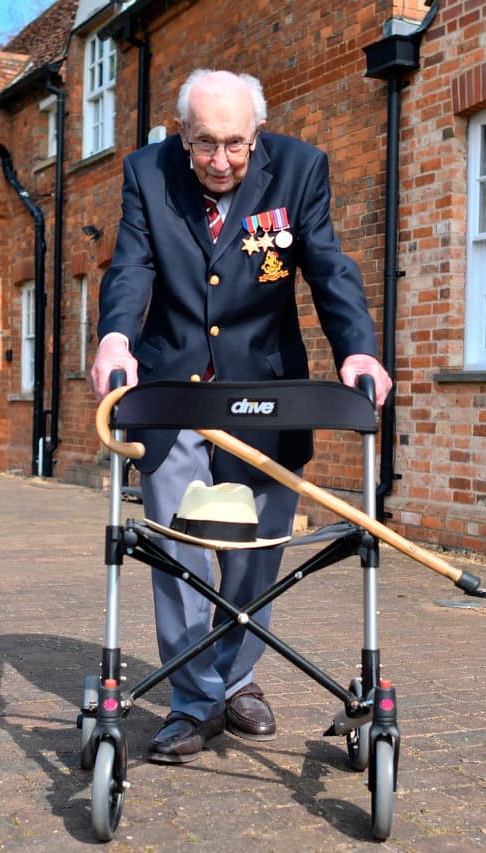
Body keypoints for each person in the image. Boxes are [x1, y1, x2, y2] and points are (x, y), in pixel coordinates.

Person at [91, 69, 392, 765]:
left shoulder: (301, 169)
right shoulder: (146, 172)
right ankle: (194, 701)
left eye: (235, 144)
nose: (220, 160)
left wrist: (359, 353)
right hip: (173, 389)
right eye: (204, 144)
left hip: (268, 385)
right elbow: (130, 267)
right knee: (178, 544)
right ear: (179, 133)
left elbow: (328, 267)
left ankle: (239, 677)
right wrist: (114, 338)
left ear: (257, 134)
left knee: (258, 551)